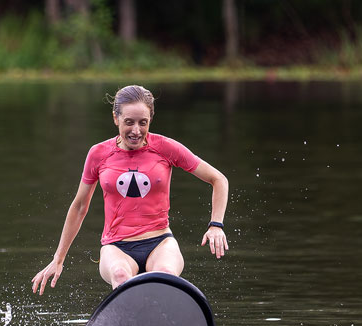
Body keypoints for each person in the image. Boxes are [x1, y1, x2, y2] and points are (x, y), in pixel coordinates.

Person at [32, 85, 228, 295]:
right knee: (120, 275)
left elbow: (218, 179)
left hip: (160, 242)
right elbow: (80, 206)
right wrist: (58, 259)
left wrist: (216, 225)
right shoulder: (98, 154)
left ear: (150, 119)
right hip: (116, 246)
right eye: (129, 122)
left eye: (143, 122)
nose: (136, 130)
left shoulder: (165, 147)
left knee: (164, 274)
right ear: (116, 118)